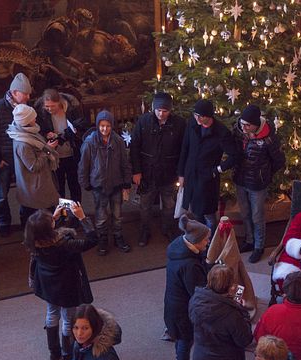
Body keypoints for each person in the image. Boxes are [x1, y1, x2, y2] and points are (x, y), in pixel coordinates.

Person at [24, 202, 97, 360]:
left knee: (52, 313)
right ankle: (67, 355)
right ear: (49, 228)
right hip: (67, 286)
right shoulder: (65, 244)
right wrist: (82, 218)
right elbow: (92, 240)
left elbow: (40, 231)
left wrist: (53, 219)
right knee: (68, 319)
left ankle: (53, 352)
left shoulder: (33, 241)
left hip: (48, 286)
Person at [189, 264, 253, 360]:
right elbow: (244, 340)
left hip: (202, 359)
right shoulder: (233, 314)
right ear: (230, 287)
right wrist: (243, 313)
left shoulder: (196, 299)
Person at [130, 92, 186, 246]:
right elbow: (134, 147)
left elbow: (184, 150)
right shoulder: (143, 122)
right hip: (147, 173)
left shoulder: (180, 124)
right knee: (145, 205)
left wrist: (181, 173)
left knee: (169, 205)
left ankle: (168, 228)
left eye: (165, 111)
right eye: (158, 110)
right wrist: (136, 171)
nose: (161, 114)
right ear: (154, 108)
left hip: (170, 173)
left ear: (170, 110)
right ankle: (144, 230)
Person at [232, 104, 286, 263]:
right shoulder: (239, 131)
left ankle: (259, 246)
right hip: (240, 179)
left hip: (257, 183)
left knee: (257, 216)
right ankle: (249, 240)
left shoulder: (269, 139)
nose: (244, 127)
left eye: (248, 125)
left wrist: (265, 173)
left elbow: (279, 160)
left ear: (256, 124)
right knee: (245, 212)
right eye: (242, 124)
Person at [0, 72, 33, 237]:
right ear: (15, 92)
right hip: (3, 161)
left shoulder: (26, 109)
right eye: (25, 94)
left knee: (25, 191)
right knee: (1, 195)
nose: (28, 97)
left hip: (22, 160)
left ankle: (26, 219)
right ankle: (4, 222)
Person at [178, 99, 242, 231]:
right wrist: (181, 173)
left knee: (209, 214)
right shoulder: (192, 124)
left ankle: (211, 244)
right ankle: (200, 242)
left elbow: (234, 155)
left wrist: (217, 170)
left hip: (207, 179)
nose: (197, 118)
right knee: (195, 211)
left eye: (200, 116)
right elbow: (184, 148)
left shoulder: (221, 132)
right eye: (195, 115)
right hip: (191, 174)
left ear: (209, 116)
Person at [164, 214, 210, 360]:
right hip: (182, 311)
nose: (208, 242)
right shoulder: (189, 266)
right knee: (185, 340)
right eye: (206, 239)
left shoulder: (179, 248)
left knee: (181, 340)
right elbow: (198, 292)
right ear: (196, 240)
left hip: (173, 305)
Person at [78, 109, 132, 255]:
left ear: (112, 126)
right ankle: (102, 238)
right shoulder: (90, 143)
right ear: (97, 125)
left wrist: (127, 182)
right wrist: (85, 183)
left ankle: (118, 236)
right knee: (101, 216)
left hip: (116, 184)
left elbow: (124, 163)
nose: (104, 129)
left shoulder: (118, 141)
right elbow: (83, 166)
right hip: (99, 185)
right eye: (102, 126)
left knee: (117, 214)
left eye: (108, 126)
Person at [7, 103, 61, 226]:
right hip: (35, 186)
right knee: (39, 217)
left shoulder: (27, 133)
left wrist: (47, 147)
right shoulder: (23, 143)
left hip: (38, 184)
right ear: (26, 121)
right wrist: (48, 149)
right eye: (33, 117)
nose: (35, 119)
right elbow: (34, 166)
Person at [35, 88, 86, 203]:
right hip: (55, 156)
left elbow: (79, 126)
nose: (49, 109)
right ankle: (62, 215)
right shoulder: (41, 113)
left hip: (72, 153)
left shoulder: (72, 108)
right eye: (47, 106)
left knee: (74, 186)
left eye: (52, 106)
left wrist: (62, 136)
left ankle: (77, 214)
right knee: (59, 188)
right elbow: (39, 130)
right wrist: (46, 134)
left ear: (59, 102)